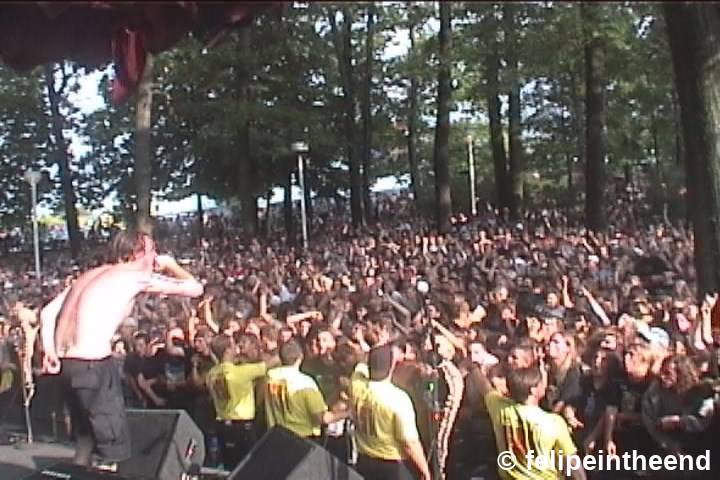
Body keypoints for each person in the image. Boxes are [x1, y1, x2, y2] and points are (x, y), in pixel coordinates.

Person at [39, 230, 204, 469]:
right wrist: (171, 265)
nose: (155, 256)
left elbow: (47, 313)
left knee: (85, 440)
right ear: (135, 254)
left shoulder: (90, 275)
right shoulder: (134, 278)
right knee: (112, 448)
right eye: (152, 250)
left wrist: (50, 351)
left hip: (68, 365)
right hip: (94, 365)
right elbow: (195, 288)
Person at [471, 359, 586, 480]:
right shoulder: (554, 423)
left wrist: (473, 367)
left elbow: (484, 386)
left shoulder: (500, 409)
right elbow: (573, 462)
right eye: (541, 382)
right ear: (533, 390)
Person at [352, 344, 431, 480]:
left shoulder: (356, 385)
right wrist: (425, 470)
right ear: (392, 367)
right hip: (392, 465)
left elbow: (360, 366)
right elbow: (409, 443)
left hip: (364, 461)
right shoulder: (398, 399)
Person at [264, 339, 348, 440]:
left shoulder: (270, 377)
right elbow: (322, 418)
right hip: (302, 438)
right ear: (300, 357)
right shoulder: (305, 383)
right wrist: (348, 413)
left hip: (276, 435)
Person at [206, 333, 267, 469]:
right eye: (234, 345)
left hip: (222, 424)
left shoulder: (211, 373)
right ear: (228, 350)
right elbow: (270, 364)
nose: (237, 347)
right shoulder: (241, 372)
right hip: (242, 427)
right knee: (248, 467)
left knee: (229, 466)